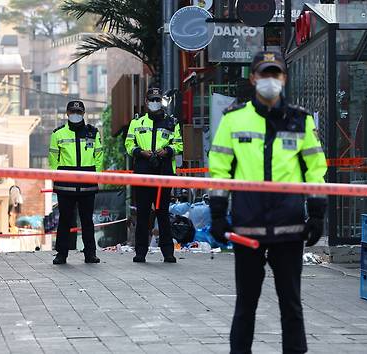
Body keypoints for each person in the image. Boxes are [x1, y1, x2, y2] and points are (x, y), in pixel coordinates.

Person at [208, 51, 327, 354]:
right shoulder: (234, 120)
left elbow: (315, 170)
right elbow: (220, 170)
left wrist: (316, 214)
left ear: (284, 79)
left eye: (276, 74)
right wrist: (218, 214)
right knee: (245, 305)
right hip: (248, 227)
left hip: (289, 227)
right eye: (264, 74)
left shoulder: (301, 120)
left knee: (291, 304)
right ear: (253, 78)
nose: (270, 81)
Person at [124, 87, 183, 263]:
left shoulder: (172, 123)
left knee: (162, 213)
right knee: (142, 214)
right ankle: (140, 252)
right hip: (143, 171)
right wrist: (141, 152)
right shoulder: (137, 123)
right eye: (152, 100)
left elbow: (179, 145)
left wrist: (167, 150)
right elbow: (128, 144)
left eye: (157, 100)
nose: (155, 103)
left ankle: (168, 253)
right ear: (146, 102)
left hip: (164, 171)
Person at [49, 100, 104, 265]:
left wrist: (96, 176)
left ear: (83, 113)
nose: (75, 115)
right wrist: (57, 176)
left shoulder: (93, 133)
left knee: (87, 220)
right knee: (65, 220)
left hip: (88, 183)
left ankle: (90, 254)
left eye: (78, 112)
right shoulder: (58, 134)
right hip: (65, 185)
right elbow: (53, 159)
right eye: (73, 112)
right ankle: (61, 254)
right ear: (67, 113)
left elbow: (99, 156)